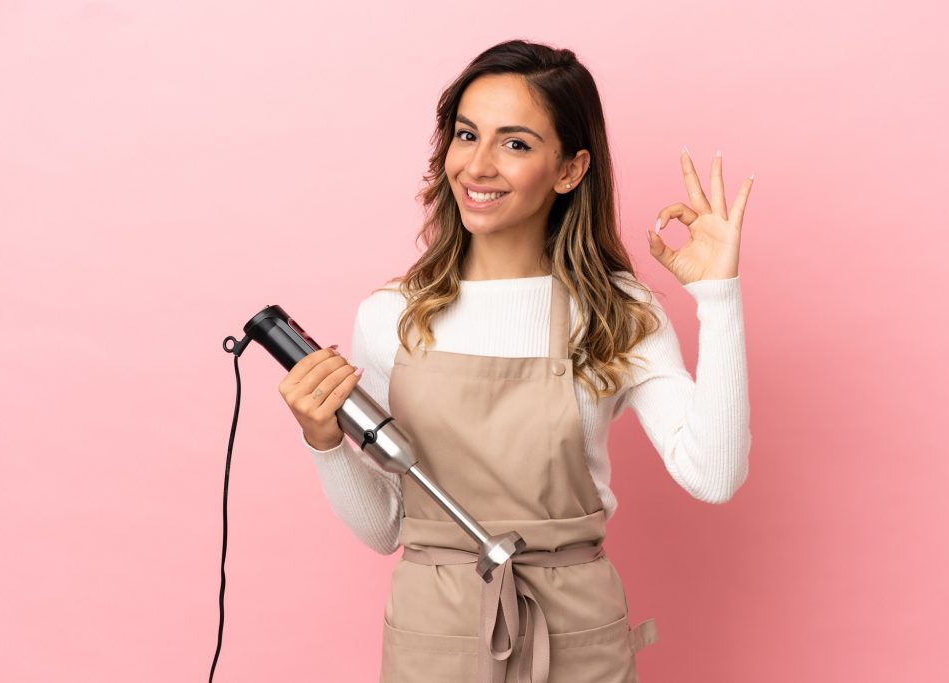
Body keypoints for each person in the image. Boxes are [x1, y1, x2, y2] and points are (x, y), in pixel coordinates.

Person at [279, 38, 752, 683]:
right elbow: (388, 527)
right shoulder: (393, 315)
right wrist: (324, 440)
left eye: (516, 143)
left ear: (570, 169)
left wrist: (717, 297)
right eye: (467, 135)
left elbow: (714, 474)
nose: (477, 166)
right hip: (436, 633)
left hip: (576, 633)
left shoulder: (617, 311)